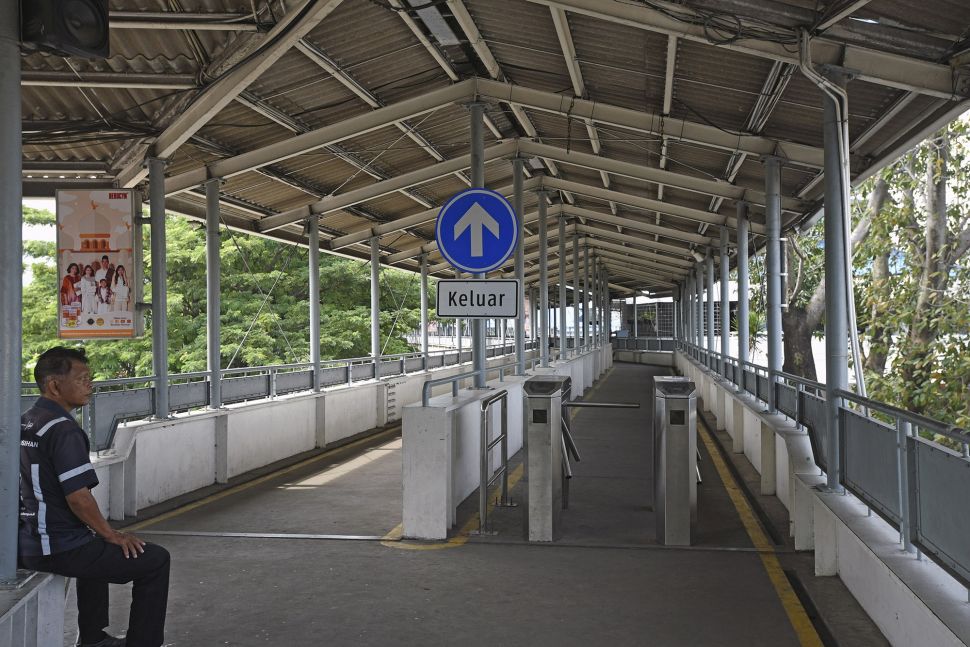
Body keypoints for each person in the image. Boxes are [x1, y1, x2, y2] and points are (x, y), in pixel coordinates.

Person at [19, 347, 170, 647]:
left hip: (24, 540)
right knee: (155, 560)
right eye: (82, 378)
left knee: (92, 543)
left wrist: (100, 534)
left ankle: (93, 637)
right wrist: (111, 533)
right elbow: (78, 497)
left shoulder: (27, 420)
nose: (90, 385)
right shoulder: (63, 430)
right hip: (56, 547)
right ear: (54, 385)